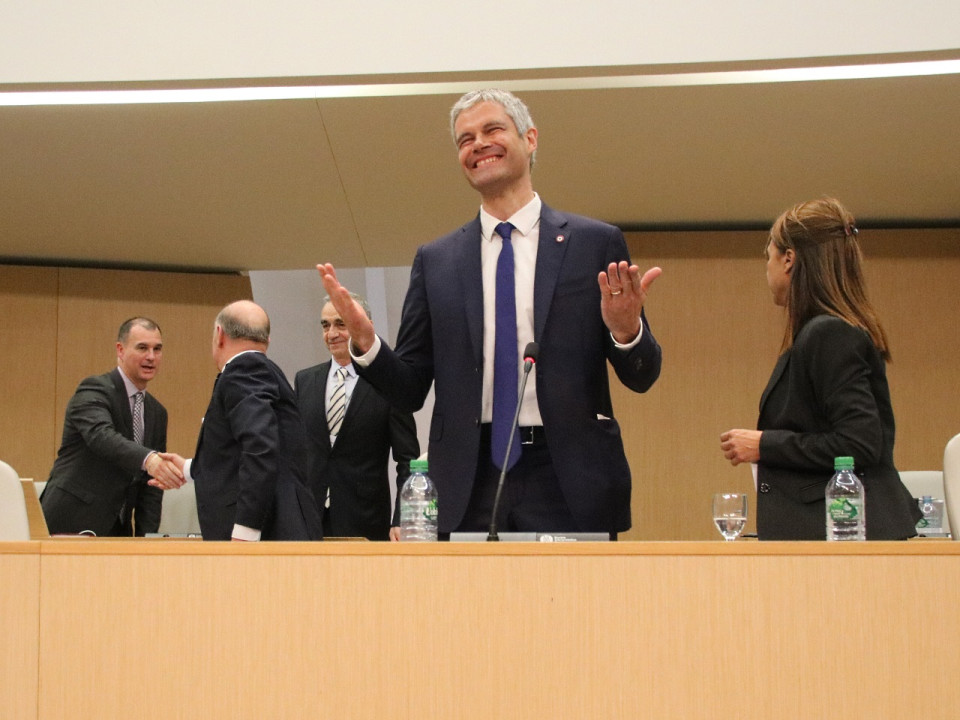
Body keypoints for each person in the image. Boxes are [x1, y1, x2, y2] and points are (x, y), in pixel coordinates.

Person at [319, 89, 662, 537]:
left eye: (492, 129)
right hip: (468, 478)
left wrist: (625, 330)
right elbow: (409, 390)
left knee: (574, 607)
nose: (477, 144)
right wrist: (367, 346)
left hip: (568, 479)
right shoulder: (437, 260)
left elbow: (643, 375)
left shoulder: (593, 243)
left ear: (530, 139)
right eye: (464, 139)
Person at [720, 197, 921, 540]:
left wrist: (765, 445)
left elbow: (859, 442)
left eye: (768, 256)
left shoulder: (829, 333)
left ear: (788, 260)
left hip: (846, 537)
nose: (766, 269)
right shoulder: (827, 331)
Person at [158, 301, 322, 541]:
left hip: (265, 536)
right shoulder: (267, 370)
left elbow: (260, 446)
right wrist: (189, 469)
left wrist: (246, 530)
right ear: (267, 340)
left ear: (219, 335)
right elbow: (248, 448)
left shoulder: (245, 368)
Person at [41, 317, 183, 536]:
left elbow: (151, 488)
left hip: (117, 530)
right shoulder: (94, 389)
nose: (151, 357)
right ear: (120, 349)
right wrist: (150, 460)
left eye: (157, 349)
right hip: (70, 521)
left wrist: (148, 540)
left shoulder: (157, 412)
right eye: (142, 348)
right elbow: (101, 436)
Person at [295, 296, 420, 541]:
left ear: (366, 326)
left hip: (367, 522)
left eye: (341, 324)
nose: (331, 334)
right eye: (325, 325)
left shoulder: (389, 382)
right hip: (310, 522)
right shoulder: (305, 381)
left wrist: (403, 518)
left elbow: (408, 460)